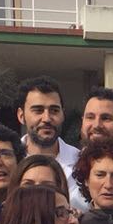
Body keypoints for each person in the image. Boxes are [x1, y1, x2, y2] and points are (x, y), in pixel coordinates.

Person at [18, 77, 84, 208]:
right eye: (38, 110)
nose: (47, 118)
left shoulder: (81, 163)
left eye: (54, 110)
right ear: (21, 115)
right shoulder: (9, 161)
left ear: (63, 114)